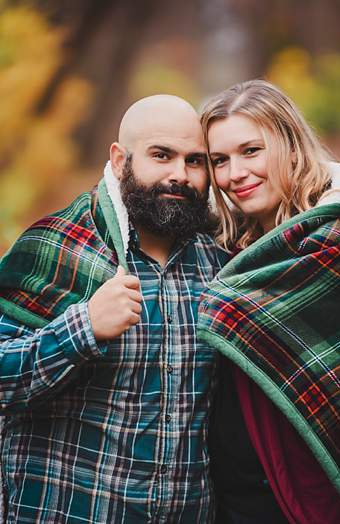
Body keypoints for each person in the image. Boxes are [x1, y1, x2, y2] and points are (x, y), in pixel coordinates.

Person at [0, 95, 229, 521]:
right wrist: (81, 329)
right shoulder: (57, 245)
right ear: (120, 159)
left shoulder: (220, 265)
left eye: (195, 161)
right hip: (70, 510)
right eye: (161, 155)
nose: (179, 175)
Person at [197, 80, 340, 524]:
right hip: (230, 493)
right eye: (220, 161)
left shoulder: (339, 240)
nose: (235, 174)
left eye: (251, 150)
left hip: (311, 484)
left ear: (289, 144)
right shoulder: (218, 249)